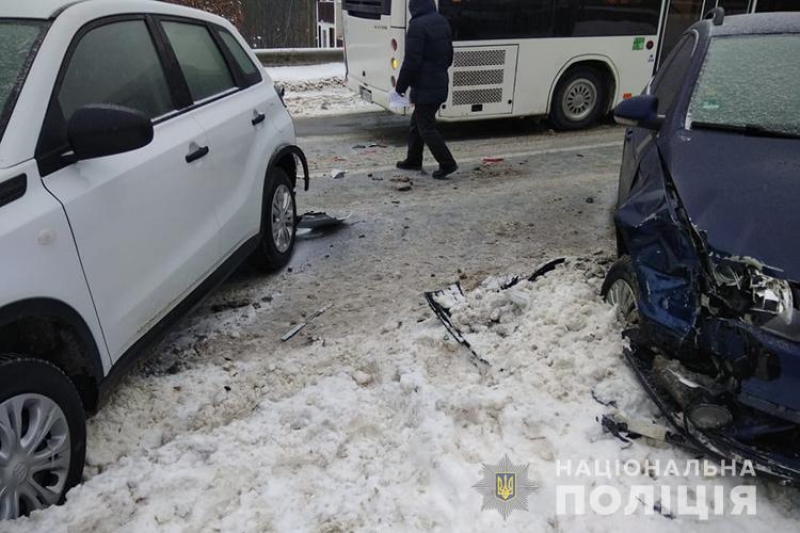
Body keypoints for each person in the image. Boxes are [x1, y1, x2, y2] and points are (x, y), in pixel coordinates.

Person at [394, 0, 458, 179]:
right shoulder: (442, 21)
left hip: (425, 86)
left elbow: (411, 62)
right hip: (439, 82)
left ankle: (447, 163)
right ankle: (413, 160)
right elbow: (449, 56)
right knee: (417, 123)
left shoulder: (417, 26)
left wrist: (400, 88)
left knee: (426, 128)